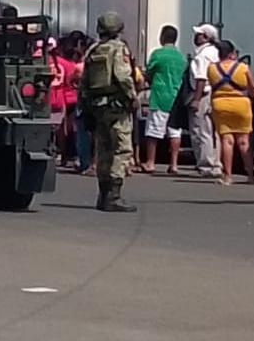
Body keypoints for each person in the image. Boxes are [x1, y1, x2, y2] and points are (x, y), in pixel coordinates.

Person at [77, 12, 136, 213]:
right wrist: (132, 96)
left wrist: (84, 106)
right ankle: (114, 196)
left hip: (97, 106)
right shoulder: (118, 49)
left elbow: (83, 81)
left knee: (103, 148)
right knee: (121, 148)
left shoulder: (93, 49)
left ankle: (102, 196)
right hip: (116, 106)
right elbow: (123, 76)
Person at [207, 39, 254, 185]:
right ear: (232, 53)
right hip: (241, 104)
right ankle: (250, 175)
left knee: (227, 140)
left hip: (220, 104)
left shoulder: (212, 68)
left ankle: (228, 176)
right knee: (244, 141)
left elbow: (212, 85)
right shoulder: (243, 67)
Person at [142, 25, 186, 175]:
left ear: (162, 37)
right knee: (174, 132)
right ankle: (173, 164)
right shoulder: (181, 57)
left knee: (153, 132)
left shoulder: (158, 54)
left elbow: (148, 73)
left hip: (160, 95)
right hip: (176, 96)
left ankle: (150, 162)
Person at [187, 24, 223, 180]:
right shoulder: (215, 52)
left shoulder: (202, 55)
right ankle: (215, 163)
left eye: (199, 34)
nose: (196, 37)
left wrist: (196, 98)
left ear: (206, 37)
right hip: (214, 94)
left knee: (201, 130)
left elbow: (201, 77)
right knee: (213, 131)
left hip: (203, 94)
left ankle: (206, 165)